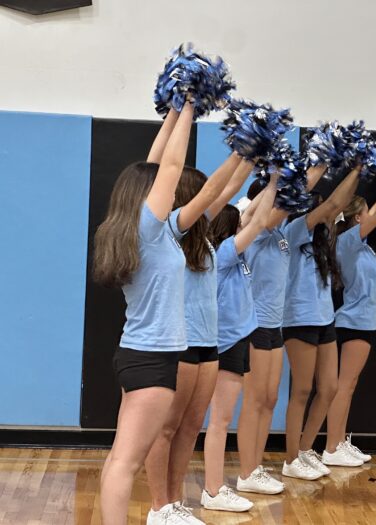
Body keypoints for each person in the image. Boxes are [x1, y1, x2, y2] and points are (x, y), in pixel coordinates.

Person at [93, 103, 214, 525]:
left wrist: (177, 110)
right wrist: (193, 106)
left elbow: (157, 162)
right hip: (151, 360)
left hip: (140, 355)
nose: (169, 187)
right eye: (160, 186)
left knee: (119, 458)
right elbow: (171, 164)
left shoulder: (145, 229)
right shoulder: (146, 228)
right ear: (146, 196)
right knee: (126, 463)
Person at [144, 140, 256, 524]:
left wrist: (249, 154)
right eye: (202, 193)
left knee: (190, 427)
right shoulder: (168, 234)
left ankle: (175, 503)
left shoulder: (204, 239)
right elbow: (216, 190)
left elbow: (227, 190)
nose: (213, 199)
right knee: (167, 428)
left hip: (209, 344)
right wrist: (239, 150)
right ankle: (159, 506)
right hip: (180, 343)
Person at [234, 164, 327, 495]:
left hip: (274, 325)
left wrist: (323, 163)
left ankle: (255, 466)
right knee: (255, 399)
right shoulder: (257, 227)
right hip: (254, 324)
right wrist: (313, 168)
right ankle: (246, 470)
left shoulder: (281, 234)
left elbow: (291, 202)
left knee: (270, 398)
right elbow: (283, 203)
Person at [201, 176, 278, 511]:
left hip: (235, 341)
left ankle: (215, 488)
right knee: (219, 420)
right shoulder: (224, 254)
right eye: (238, 223)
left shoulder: (229, 252)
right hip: (225, 343)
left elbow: (252, 216)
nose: (244, 224)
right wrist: (276, 179)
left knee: (222, 419)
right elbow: (258, 220)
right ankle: (214, 491)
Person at [281, 167, 360, 481]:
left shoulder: (322, 243)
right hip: (299, 319)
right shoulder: (293, 231)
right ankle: (289, 459)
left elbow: (336, 207)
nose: (329, 215)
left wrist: (359, 168)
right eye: (320, 209)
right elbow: (332, 206)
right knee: (301, 390)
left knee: (328, 388)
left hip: (324, 318)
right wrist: (334, 164)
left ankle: (303, 450)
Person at [322, 189, 376, 466]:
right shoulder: (348, 241)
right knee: (344, 386)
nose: (372, 215)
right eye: (367, 212)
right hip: (353, 320)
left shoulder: (362, 245)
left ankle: (339, 443)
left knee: (349, 385)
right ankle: (331, 448)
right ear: (359, 217)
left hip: (363, 321)